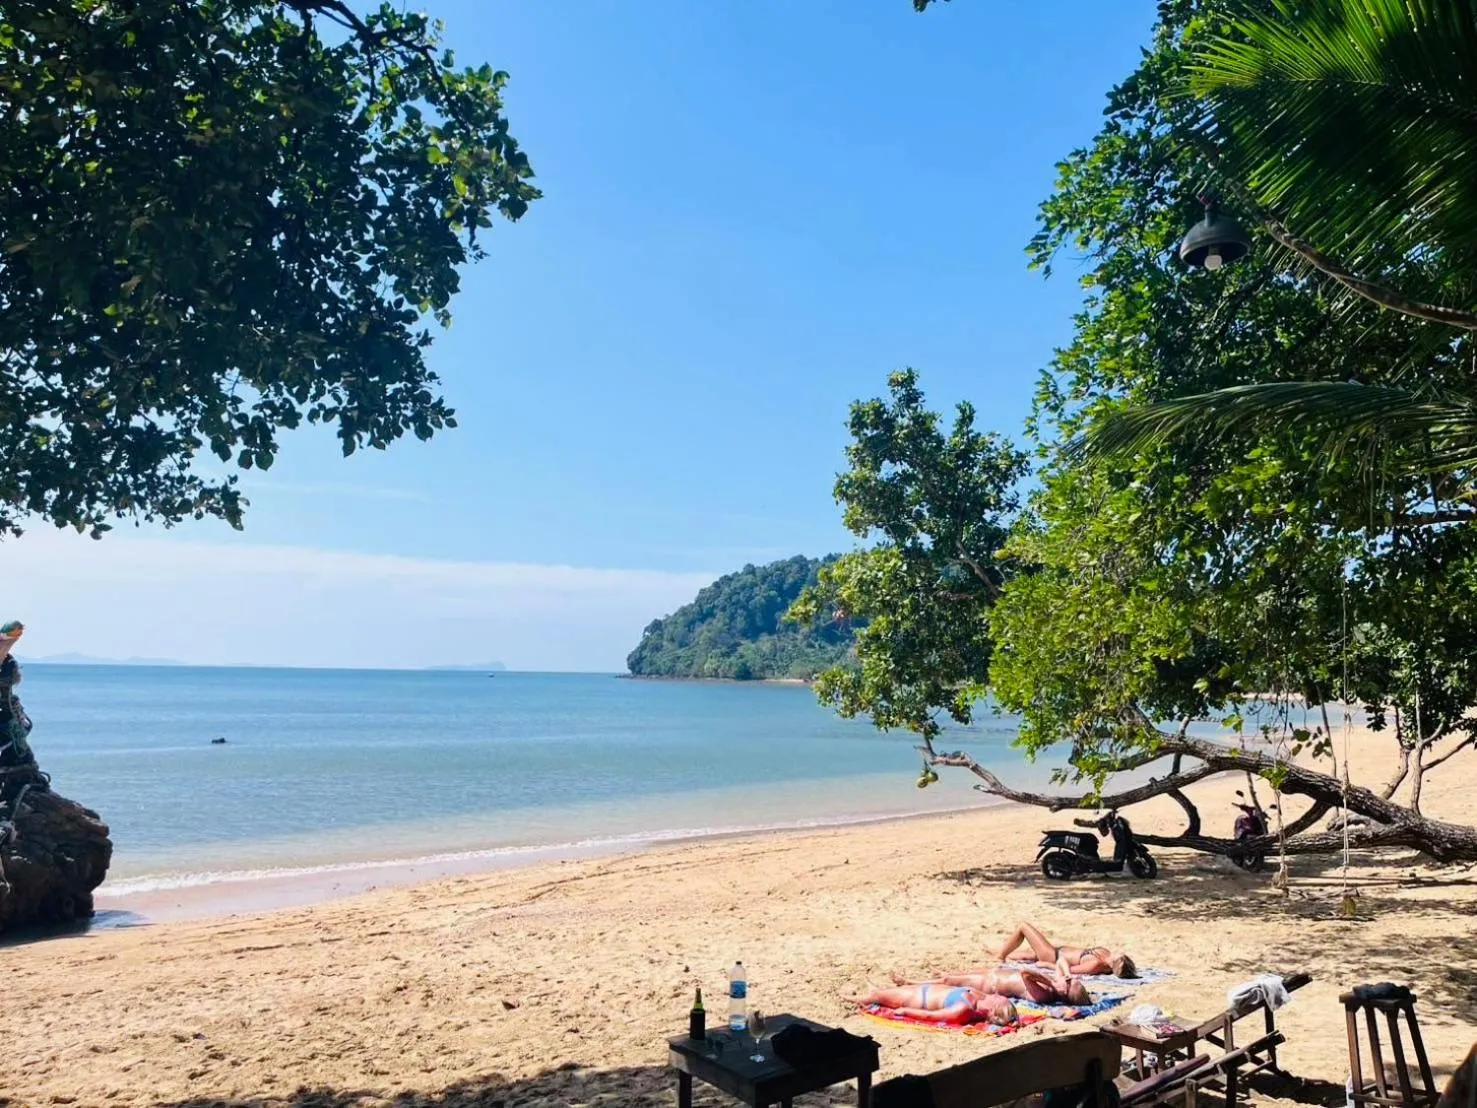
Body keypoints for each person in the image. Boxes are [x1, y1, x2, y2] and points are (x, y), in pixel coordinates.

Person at [889, 965, 1091, 1006]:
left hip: (991, 984)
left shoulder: (1046, 994)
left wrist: (1050, 983)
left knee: (947, 983)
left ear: (1065, 994)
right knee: (953, 976)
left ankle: (908, 983)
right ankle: (941, 973)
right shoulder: (1053, 988)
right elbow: (1060, 962)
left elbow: (1025, 973)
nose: (1066, 979)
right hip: (995, 976)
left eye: (1069, 983)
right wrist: (1063, 977)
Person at [997, 920, 1137, 979]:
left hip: (1053, 956)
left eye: (1120, 955)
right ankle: (999, 953)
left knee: (1023, 927)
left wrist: (1046, 965)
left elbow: (1071, 971)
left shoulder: (1096, 964)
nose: (1120, 951)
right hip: (1056, 951)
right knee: (1022, 956)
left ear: (1114, 961)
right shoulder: (1106, 956)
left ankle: (1000, 957)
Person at [853, 983, 1018, 1026]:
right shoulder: (983, 998)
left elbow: (930, 1016)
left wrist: (905, 1012)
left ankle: (852, 998)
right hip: (923, 990)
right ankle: (875, 993)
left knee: (874, 997)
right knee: (878, 993)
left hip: (918, 999)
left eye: (1000, 998)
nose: (998, 995)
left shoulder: (964, 1010)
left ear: (993, 1009)